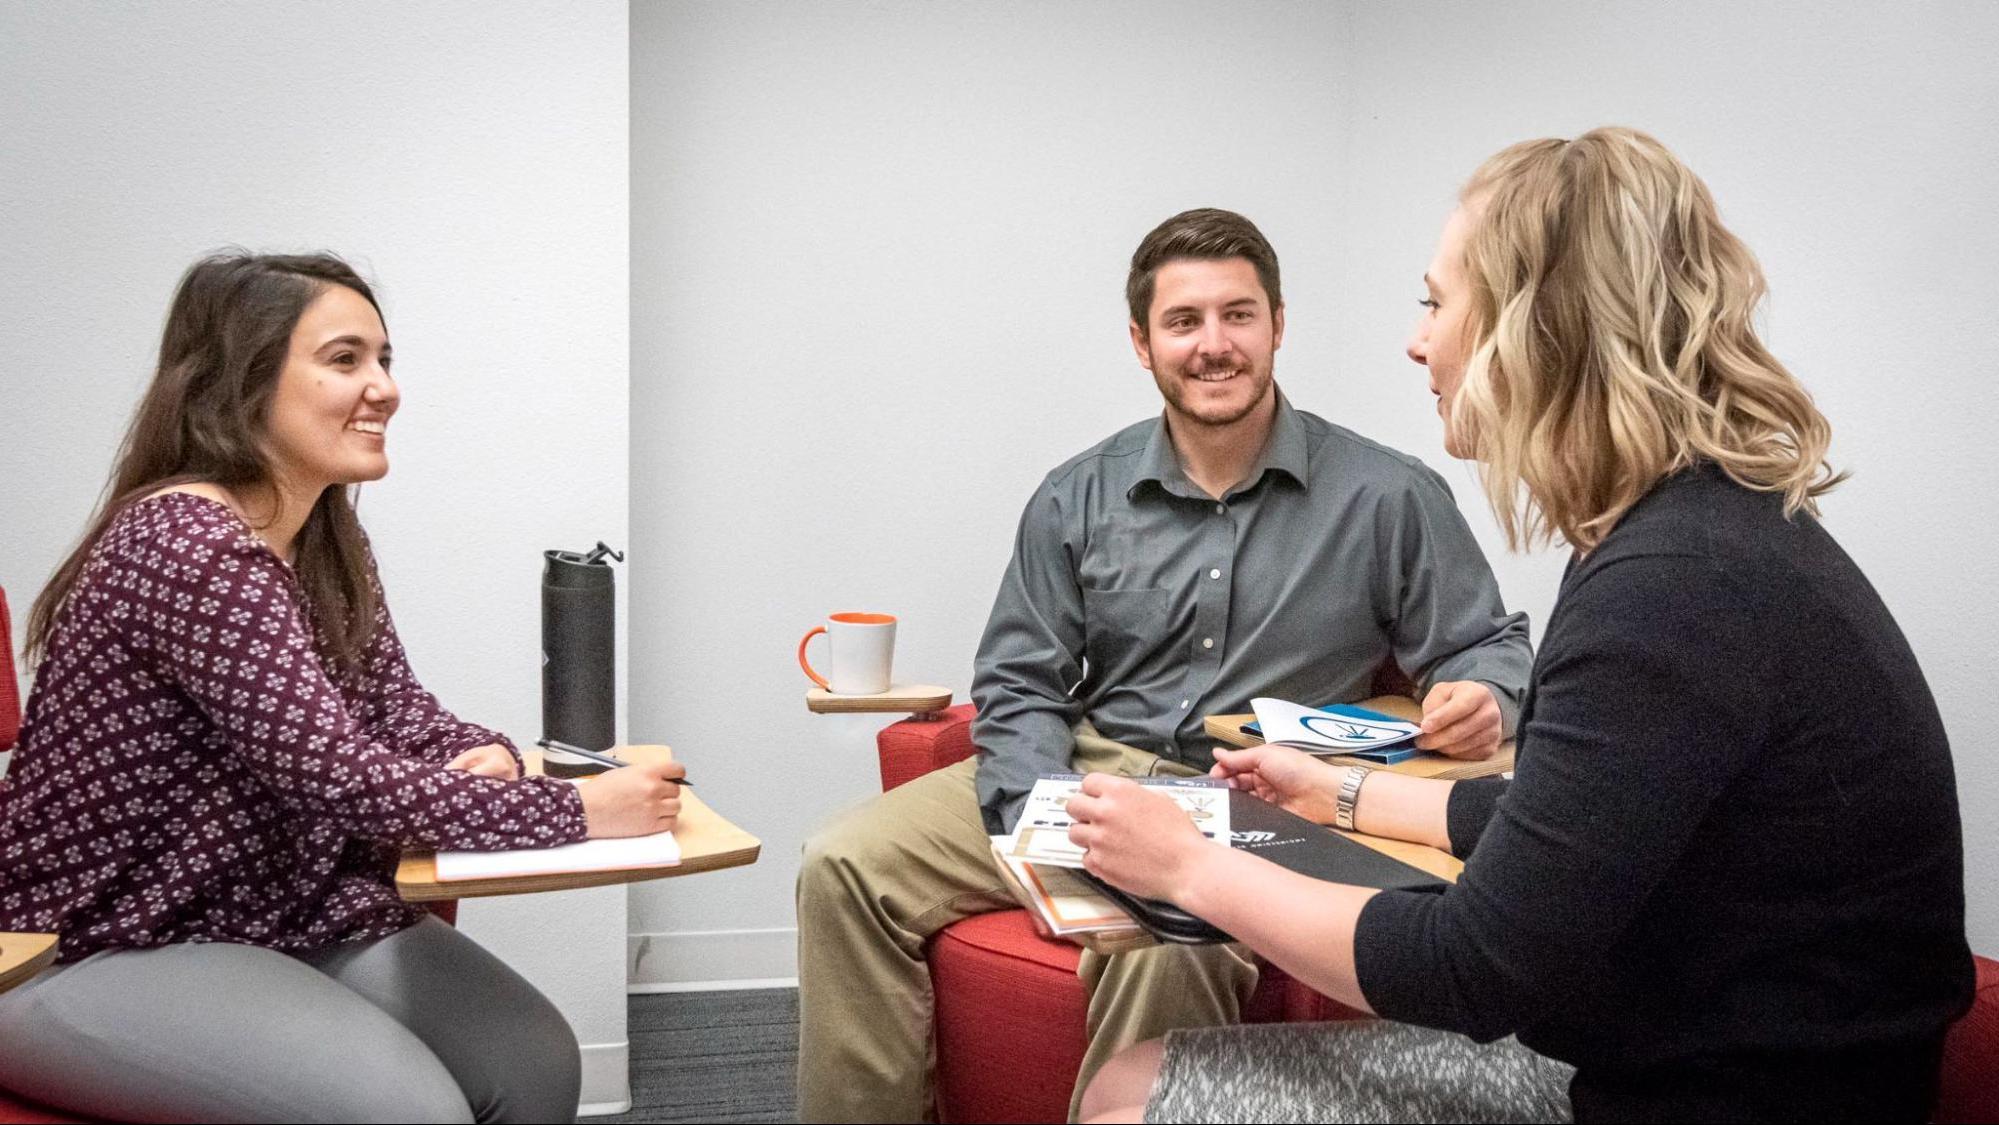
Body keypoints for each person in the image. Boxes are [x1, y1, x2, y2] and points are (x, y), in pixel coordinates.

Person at [1069, 129, 1974, 1124]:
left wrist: (1189, 867)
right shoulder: (1695, 535)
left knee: (1128, 1102)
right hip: (1681, 1056)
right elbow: (1574, 822)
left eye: (1435, 302)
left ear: (1535, 327)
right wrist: (1339, 794)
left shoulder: (1670, 587)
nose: (1418, 341)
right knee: (1132, 1074)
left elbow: (1473, 968)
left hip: (1718, 1097)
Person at [797, 208, 1535, 1122]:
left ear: (1277, 325)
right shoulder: (1076, 493)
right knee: (839, 862)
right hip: (1088, 765)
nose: (1213, 345)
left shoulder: (1388, 493)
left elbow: (1485, 644)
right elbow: (1021, 681)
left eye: (1238, 315)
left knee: (1167, 950)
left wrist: (1488, 694)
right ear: (1142, 343)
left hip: (1257, 796)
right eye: (1183, 322)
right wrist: (1046, 809)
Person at [0, 252, 686, 1124]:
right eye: (344, 358)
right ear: (240, 383)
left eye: (384, 359)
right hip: (96, 942)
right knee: (413, 1113)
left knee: (536, 1064)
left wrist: (479, 752)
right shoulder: (188, 546)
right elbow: (340, 779)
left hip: (274, 912)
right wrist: (580, 812)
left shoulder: (324, 536)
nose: (384, 388)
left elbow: (399, 709)